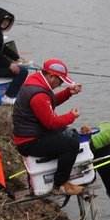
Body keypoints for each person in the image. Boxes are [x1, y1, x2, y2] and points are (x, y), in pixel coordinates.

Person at [12, 58, 85, 196]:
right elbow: (50, 123)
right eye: (60, 80)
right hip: (29, 142)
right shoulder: (39, 94)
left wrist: (68, 93)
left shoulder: (36, 81)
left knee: (69, 133)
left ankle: (58, 170)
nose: (61, 84)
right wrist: (71, 116)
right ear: (51, 76)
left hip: (31, 134)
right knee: (71, 144)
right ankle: (61, 184)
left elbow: (49, 104)